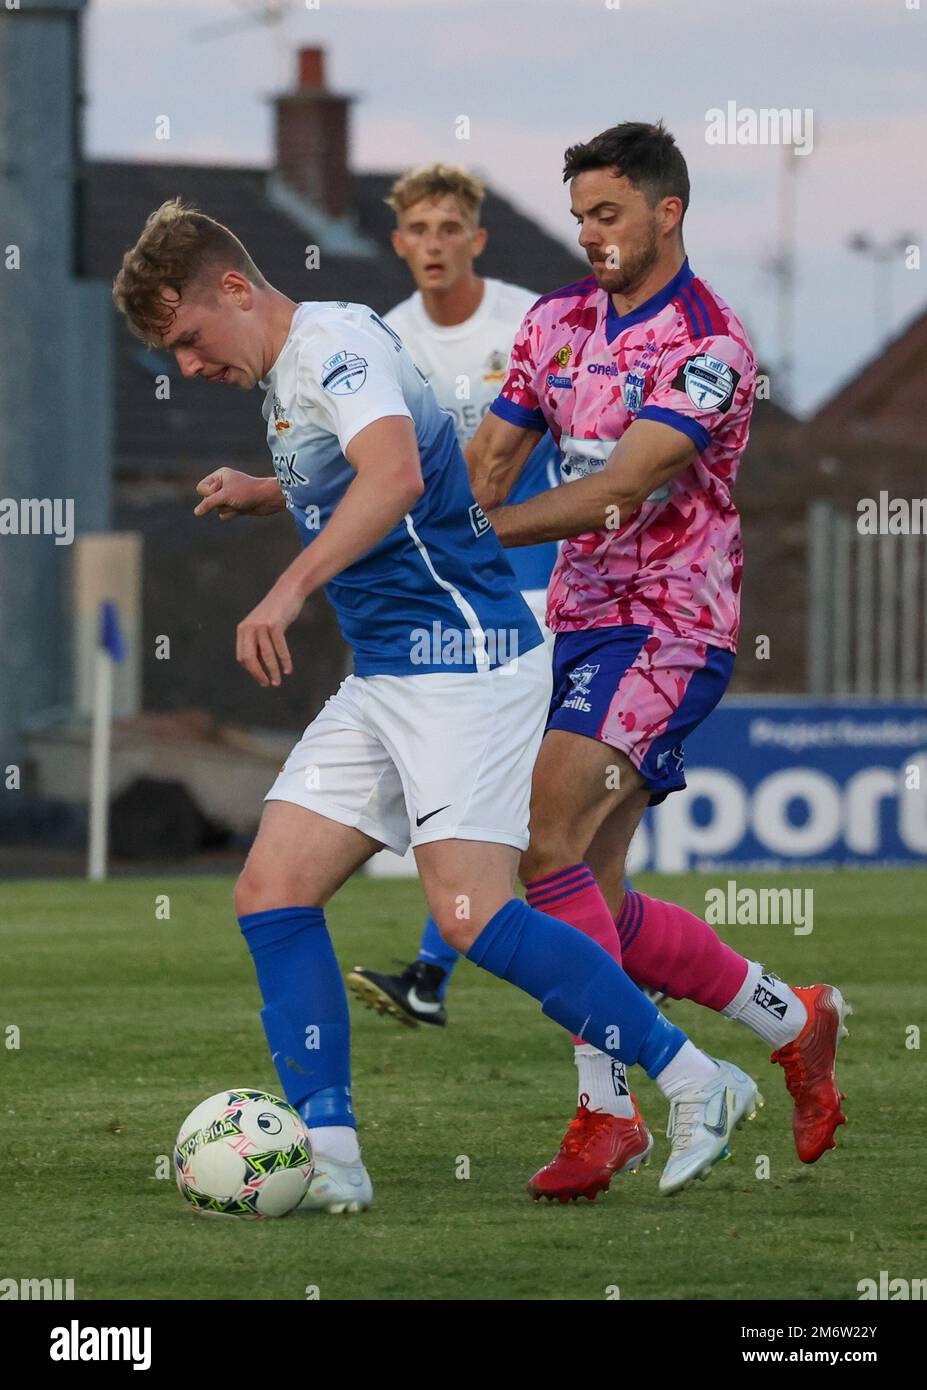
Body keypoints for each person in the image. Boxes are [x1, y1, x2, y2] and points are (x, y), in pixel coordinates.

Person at [112, 197, 760, 1211]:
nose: (188, 367)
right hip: (388, 675)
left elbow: (399, 474)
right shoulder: (300, 368)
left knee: (469, 916)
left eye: (189, 339)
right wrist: (266, 488)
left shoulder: (332, 343)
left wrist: (288, 587)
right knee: (272, 891)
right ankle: (332, 1158)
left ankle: (694, 1079)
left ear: (235, 288)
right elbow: (363, 467)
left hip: (465, 663)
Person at [460, 121, 849, 1203]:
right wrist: (384, 514)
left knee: (542, 847)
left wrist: (480, 535)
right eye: (581, 214)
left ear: (667, 212)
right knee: (597, 898)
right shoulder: (553, 325)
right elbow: (487, 462)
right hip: (580, 624)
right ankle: (792, 1015)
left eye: (609, 214)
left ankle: (611, 1112)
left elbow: (618, 489)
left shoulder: (711, 345)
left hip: (673, 623)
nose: (589, 234)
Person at [345, 162, 562, 1028]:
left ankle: (438, 974)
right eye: (419, 232)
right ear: (399, 245)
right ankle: (446, 972)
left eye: (449, 229)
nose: (434, 245)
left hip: (537, 586)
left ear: (475, 238)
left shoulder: (526, 320)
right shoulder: (387, 340)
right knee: (505, 804)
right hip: (444, 599)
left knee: (521, 804)